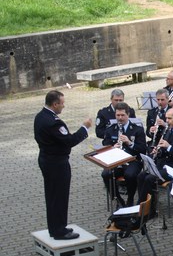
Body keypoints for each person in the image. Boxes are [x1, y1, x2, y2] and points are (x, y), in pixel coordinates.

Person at [34, 90, 92, 240]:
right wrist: (84, 128)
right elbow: (69, 141)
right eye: (62, 103)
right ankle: (59, 230)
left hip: (46, 159)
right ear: (55, 104)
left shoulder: (40, 116)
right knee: (59, 196)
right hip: (57, 163)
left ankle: (55, 227)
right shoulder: (53, 122)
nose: (63, 106)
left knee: (52, 195)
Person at [137, 107, 173, 206]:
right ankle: (144, 204)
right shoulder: (167, 131)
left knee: (150, 178)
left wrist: (169, 147)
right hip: (163, 164)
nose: (167, 121)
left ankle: (147, 207)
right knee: (141, 175)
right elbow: (163, 150)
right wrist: (158, 152)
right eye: (166, 118)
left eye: (169, 118)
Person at [101, 102, 146, 207]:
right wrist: (112, 148)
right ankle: (118, 199)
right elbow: (105, 146)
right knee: (105, 174)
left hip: (132, 160)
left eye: (122, 115)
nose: (120, 118)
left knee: (130, 175)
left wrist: (130, 143)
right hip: (116, 161)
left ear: (128, 115)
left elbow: (143, 149)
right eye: (118, 115)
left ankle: (130, 199)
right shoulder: (110, 130)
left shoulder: (137, 130)